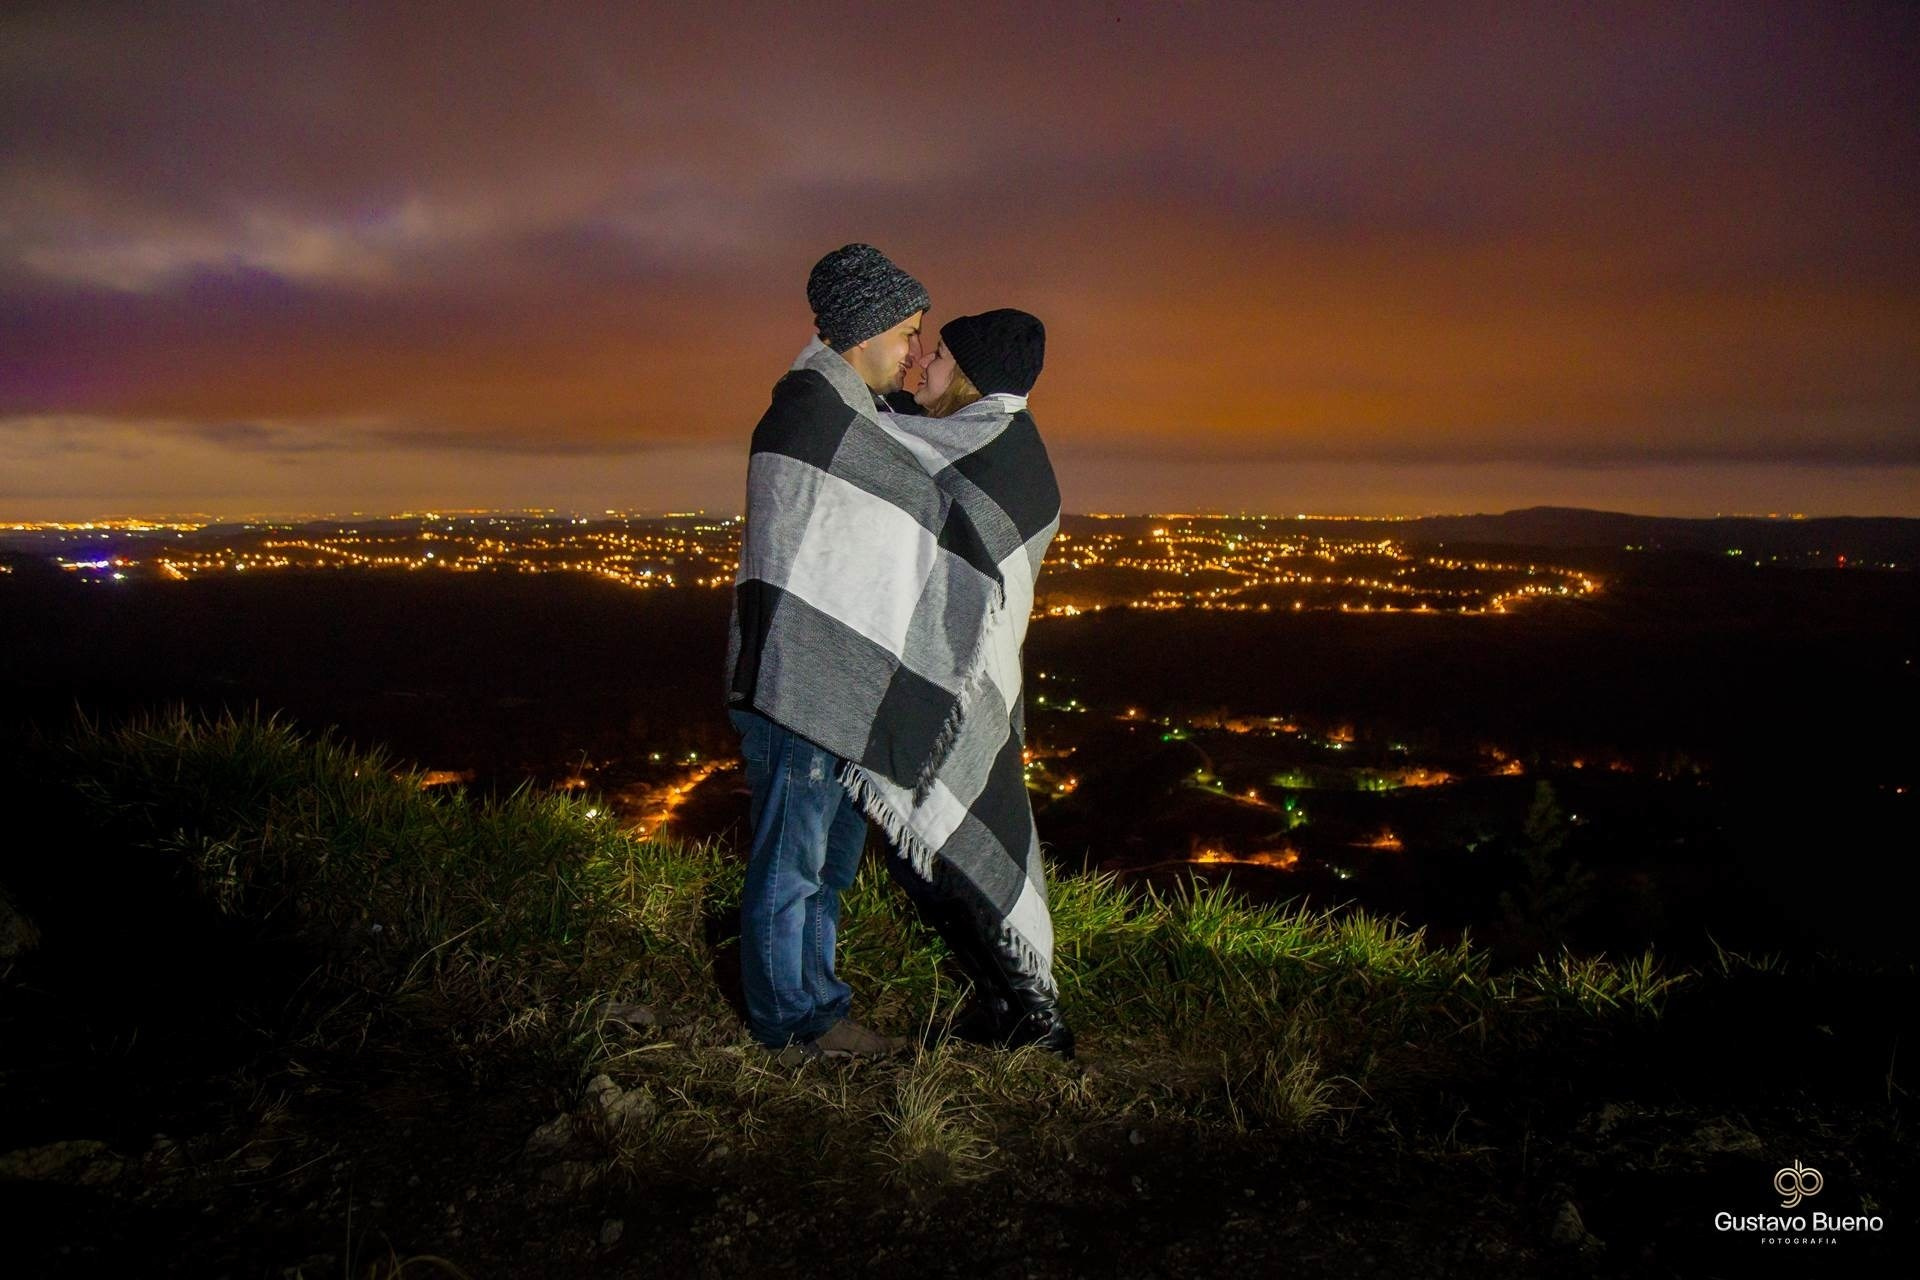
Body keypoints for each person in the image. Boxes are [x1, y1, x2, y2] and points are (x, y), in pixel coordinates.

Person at [847, 308, 1074, 1057]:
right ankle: (1011, 1005)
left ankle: (1031, 1018)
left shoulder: (992, 443)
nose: (923, 365)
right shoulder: (987, 435)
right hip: (958, 672)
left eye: (939, 355)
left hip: (965, 679)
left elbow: (877, 437)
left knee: (947, 857)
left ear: (973, 373)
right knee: (928, 856)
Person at [724, 243, 931, 1059]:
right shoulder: (813, 413)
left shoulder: (847, 411)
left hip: (833, 685)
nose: (916, 352)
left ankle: (816, 1009)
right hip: (798, 681)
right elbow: (911, 498)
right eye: (909, 332)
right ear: (868, 326)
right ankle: (784, 1024)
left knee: (827, 862)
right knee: (792, 862)